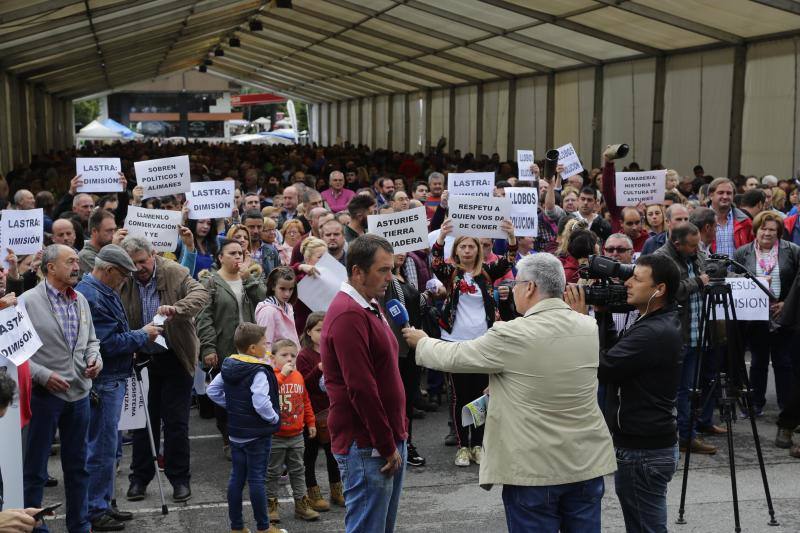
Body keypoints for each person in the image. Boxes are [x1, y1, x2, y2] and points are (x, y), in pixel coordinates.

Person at [403, 253, 616, 532]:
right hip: (585, 464)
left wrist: (422, 342)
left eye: (515, 282)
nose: (512, 288)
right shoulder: (587, 326)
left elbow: (455, 356)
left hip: (534, 471)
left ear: (529, 287)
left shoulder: (513, 334)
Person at [568, 254, 683, 533]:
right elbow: (614, 356)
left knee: (645, 528)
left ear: (660, 289)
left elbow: (603, 367)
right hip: (646, 443)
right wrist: (603, 314)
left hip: (643, 450)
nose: (628, 283)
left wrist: (579, 320)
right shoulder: (654, 320)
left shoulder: (653, 332)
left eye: (637, 279)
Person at [320, 234, 407, 533]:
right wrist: (385, 444)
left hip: (384, 439)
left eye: (391, 269)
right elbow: (361, 388)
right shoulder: (348, 314)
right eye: (383, 270)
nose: (390, 277)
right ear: (358, 271)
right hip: (367, 445)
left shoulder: (369, 303)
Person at [75, 245, 162, 532]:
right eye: (123, 275)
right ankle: (95, 508)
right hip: (105, 380)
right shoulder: (92, 295)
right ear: (109, 270)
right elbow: (106, 344)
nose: (126, 280)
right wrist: (142, 335)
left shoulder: (100, 290)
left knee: (110, 448)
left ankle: (104, 501)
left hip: (112, 377)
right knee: (101, 448)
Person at [119, 237, 209, 504]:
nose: (138, 268)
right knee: (143, 422)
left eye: (142, 261)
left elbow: (201, 293)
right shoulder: (125, 278)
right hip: (141, 358)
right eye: (133, 264)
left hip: (175, 356)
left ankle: (179, 479)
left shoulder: (175, 272)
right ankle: (139, 478)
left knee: (176, 423)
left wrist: (177, 308)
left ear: (154, 254)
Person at [19, 245, 99, 533]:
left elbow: (92, 341)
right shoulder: (26, 302)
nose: (77, 266)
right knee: (35, 470)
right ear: (50, 267)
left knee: (78, 467)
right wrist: (41, 375)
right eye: (70, 261)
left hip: (78, 395)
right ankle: (33, 526)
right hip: (43, 397)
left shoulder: (80, 300)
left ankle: (80, 524)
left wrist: (95, 359)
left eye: (77, 260)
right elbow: (15, 352)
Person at [432, 218, 517, 466]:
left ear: (478, 251)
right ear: (456, 250)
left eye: (471, 247)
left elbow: (509, 260)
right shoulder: (451, 274)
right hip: (455, 341)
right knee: (460, 395)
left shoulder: (487, 273)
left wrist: (511, 237)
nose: (467, 251)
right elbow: (436, 263)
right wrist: (440, 238)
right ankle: (462, 446)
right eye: (463, 247)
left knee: (480, 395)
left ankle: (478, 444)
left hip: (483, 342)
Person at [206, 323, 282, 533]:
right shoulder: (259, 371)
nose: (267, 347)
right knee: (257, 479)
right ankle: (263, 527)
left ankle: (237, 527)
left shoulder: (229, 364)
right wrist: (273, 417)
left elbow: (212, 390)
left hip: (237, 433)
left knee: (236, 478)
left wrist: (233, 407)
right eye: (264, 344)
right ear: (252, 349)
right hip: (257, 434)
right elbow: (261, 402)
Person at [653, 223, 720, 454]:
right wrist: (698, 282)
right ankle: (680, 437)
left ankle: (689, 433)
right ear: (677, 243)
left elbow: (707, 276)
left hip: (698, 331)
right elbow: (669, 291)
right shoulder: (661, 259)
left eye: (698, 244)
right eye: (692, 246)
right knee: (677, 390)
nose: (696, 250)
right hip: (676, 334)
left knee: (690, 389)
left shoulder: (695, 255)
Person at [197, 239, 268, 458]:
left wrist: (249, 280)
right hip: (225, 347)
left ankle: (251, 435)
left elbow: (263, 299)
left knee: (251, 392)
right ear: (220, 257)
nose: (238, 257)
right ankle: (228, 437)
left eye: (241, 253)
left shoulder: (250, 278)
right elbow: (204, 317)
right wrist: (208, 348)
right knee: (226, 395)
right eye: (232, 253)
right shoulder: (211, 283)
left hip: (251, 348)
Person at [734, 211, 800, 416]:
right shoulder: (742, 253)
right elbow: (736, 282)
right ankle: (755, 403)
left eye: (773, 229)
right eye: (763, 228)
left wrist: (785, 304)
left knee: (783, 362)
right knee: (758, 361)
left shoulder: (793, 251)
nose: (767, 233)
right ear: (756, 230)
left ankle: (786, 406)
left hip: (784, 314)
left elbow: (798, 282)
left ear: (779, 232)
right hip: (755, 316)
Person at [296, 312, 345, 513]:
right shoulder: (304, 355)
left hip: (331, 410)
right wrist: (318, 369)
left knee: (333, 453)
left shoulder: (332, 350)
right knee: (310, 454)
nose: (323, 333)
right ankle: (313, 492)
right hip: (311, 414)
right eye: (318, 329)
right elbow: (304, 383)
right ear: (309, 332)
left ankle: (336, 489)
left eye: (326, 329)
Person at [266, 339, 318, 523]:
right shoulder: (271, 376)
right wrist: (281, 376)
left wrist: (311, 422)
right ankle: (271, 506)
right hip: (276, 436)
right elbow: (267, 394)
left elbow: (305, 401)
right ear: (273, 358)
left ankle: (302, 505)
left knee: (298, 470)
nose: (289, 359)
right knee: (272, 472)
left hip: (296, 435)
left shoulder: (298, 376)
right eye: (284, 355)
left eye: (293, 355)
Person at [255, 266, 300, 347]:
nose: (287, 294)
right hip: (276, 358)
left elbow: (294, 337)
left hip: (290, 356)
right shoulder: (267, 311)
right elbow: (265, 344)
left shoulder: (288, 307)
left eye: (291, 289)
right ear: (273, 286)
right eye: (282, 289)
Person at [709, 177, 753, 258]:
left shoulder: (745, 221)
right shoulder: (699, 220)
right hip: (707, 270)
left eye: (729, 193)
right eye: (721, 193)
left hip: (738, 270)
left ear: (733, 196)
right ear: (711, 195)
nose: (725, 196)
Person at [78, 210, 124, 275]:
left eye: (115, 230)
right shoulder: (85, 256)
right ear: (94, 231)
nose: (114, 235)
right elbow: (110, 277)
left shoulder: (107, 248)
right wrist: (114, 248)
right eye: (109, 231)